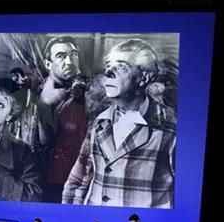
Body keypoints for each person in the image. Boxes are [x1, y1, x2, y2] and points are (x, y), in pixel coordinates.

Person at [63, 39, 176, 208]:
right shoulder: (100, 121)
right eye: (108, 65)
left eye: (122, 66)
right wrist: (70, 214)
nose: (108, 71)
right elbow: (79, 178)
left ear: (144, 77)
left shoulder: (171, 127)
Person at [34, 36, 89, 202]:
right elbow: (44, 144)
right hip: (54, 181)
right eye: (61, 56)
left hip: (86, 179)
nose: (70, 61)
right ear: (48, 64)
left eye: (73, 54)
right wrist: (46, 106)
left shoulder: (87, 91)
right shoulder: (42, 97)